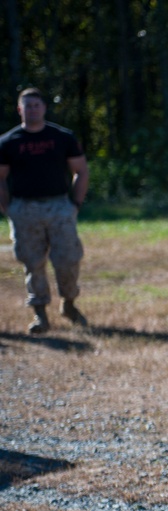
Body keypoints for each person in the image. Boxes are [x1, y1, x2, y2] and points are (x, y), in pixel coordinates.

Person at [0, 88, 90, 334]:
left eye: (36, 105)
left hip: (59, 206)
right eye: (26, 106)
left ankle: (69, 304)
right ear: (19, 109)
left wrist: (75, 205)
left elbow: (80, 171)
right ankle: (40, 314)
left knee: (69, 259)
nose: (32, 110)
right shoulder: (8, 142)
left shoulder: (62, 137)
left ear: (44, 108)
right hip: (24, 208)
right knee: (32, 262)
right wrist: (8, 208)